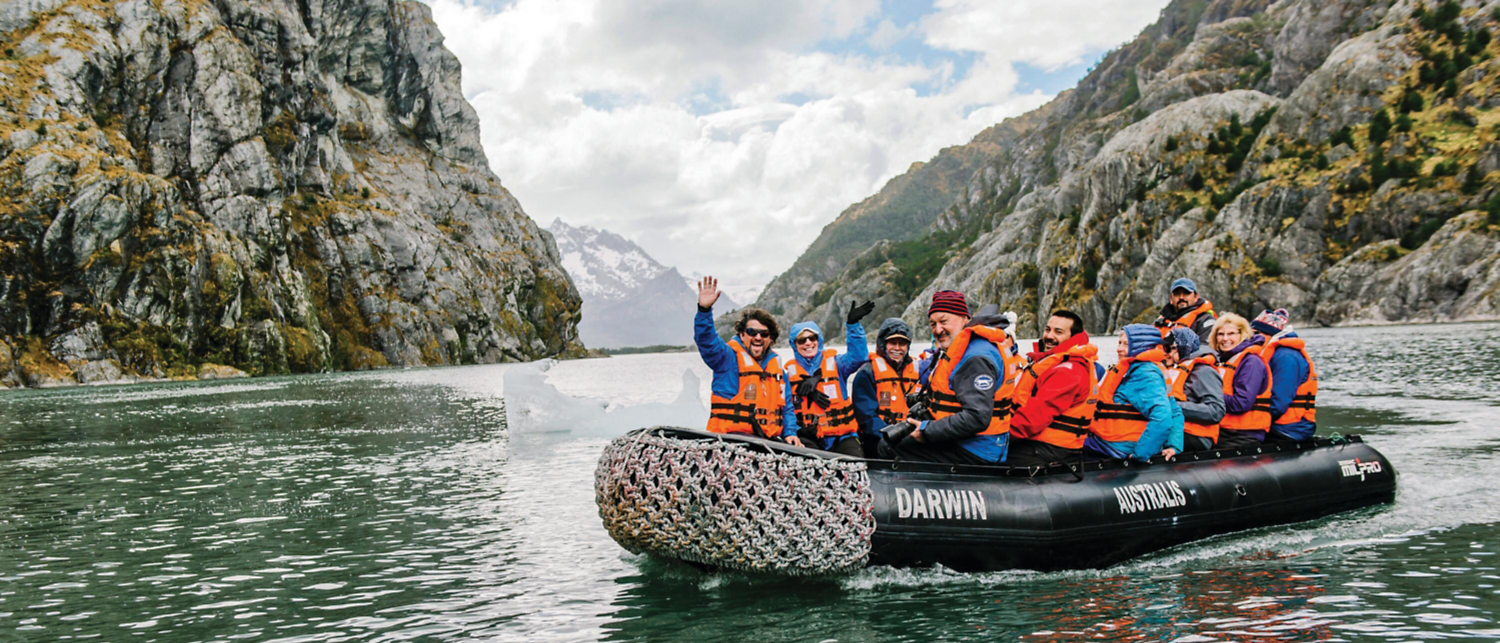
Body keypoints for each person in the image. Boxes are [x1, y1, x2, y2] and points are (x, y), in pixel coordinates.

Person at [879, 291, 1011, 465]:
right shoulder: (963, 348)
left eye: (943, 321)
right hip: (968, 441)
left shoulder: (976, 358)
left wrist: (926, 431)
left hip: (977, 449)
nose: (938, 330)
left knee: (888, 447)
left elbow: (976, 418)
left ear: (965, 318)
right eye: (933, 324)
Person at [694, 276, 795, 443]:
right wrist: (704, 311)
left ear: (771, 339)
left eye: (764, 334)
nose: (758, 337)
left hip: (768, 440)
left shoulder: (779, 373)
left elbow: (787, 408)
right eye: (751, 332)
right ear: (742, 335)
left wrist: (790, 433)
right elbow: (707, 342)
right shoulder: (726, 359)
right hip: (730, 439)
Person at [1005, 310, 1100, 467]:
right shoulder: (1052, 364)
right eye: (1048, 329)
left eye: (1058, 332)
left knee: (983, 455)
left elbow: (1033, 419)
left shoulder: (1068, 371)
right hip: (1039, 442)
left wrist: (997, 437)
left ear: (1073, 337)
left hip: (1051, 448)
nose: (1049, 336)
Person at [781, 301, 874, 457]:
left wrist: (853, 326)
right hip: (808, 437)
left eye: (812, 337)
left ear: (819, 340)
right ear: (794, 344)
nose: (808, 343)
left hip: (842, 436)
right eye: (801, 340)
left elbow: (859, 357)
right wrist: (795, 431)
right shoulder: (787, 375)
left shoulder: (838, 364)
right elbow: (785, 410)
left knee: (856, 466)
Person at [1084, 325, 1184, 462]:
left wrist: (1141, 453)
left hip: (1116, 445)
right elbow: (1176, 412)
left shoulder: (1143, 374)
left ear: (1141, 346)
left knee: (1066, 443)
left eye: (1126, 344)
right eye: (1119, 343)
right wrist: (1174, 446)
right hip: (1118, 442)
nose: (1119, 349)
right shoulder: (1144, 369)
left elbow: (1163, 418)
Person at [851, 317, 918, 458]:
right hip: (878, 438)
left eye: (903, 344)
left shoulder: (917, 369)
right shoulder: (867, 372)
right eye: (892, 343)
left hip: (910, 434)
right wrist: (891, 435)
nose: (898, 348)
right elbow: (866, 417)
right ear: (883, 345)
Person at [1249, 309, 1318, 443]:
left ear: (1270, 334)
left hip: (1290, 427)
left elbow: (1279, 402)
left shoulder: (1286, 358)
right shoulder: (1274, 354)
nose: (1252, 338)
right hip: (1282, 424)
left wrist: (1250, 421)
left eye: (1256, 333)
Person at [1212, 312, 1272, 449]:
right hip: (1224, 430)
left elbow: (1241, 403)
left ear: (1242, 335)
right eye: (1220, 334)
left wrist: (1208, 397)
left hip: (1244, 434)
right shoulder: (1223, 361)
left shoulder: (1251, 362)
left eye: (1231, 333)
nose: (1225, 339)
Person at [1163, 327, 1224, 452]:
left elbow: (1216, 411)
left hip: (1197, 435)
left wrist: (1174, 406)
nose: (1167, 353)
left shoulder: (1204, 371)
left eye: (1172, 348)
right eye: (1165, 348)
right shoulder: (1173, 370)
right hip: (1177, 431)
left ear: (1184, 347)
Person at [1154, 277, 1218, 344]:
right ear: (1171, 299)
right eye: (1177, 294)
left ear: (1196, 297)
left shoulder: (1206, 320)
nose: (1181, 297)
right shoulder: (1160, 321)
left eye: (1186, 293)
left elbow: (1205, 348)